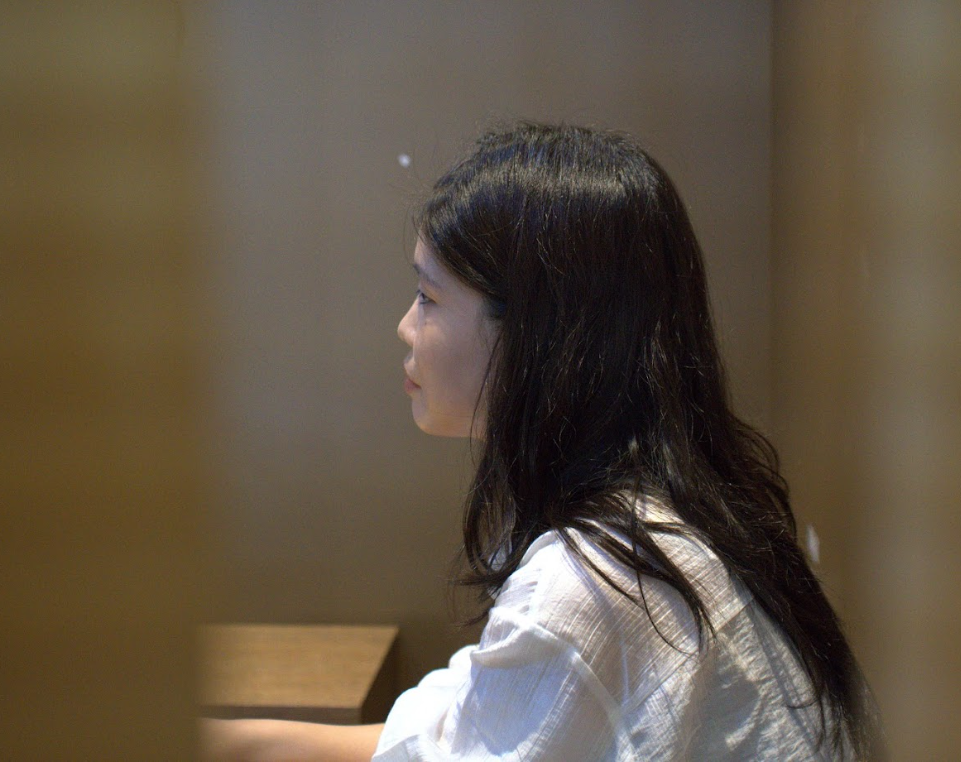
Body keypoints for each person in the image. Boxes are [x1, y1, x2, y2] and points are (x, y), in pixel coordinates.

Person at [203, 122, 881, 761]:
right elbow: (453, 734)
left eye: (428, 298)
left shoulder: (594, 584)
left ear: (534, 334)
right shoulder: (658, 511)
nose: (405, 327)